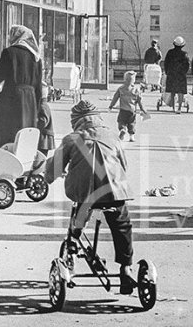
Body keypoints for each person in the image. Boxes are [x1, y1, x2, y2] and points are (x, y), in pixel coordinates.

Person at [44, 101, 138, 295]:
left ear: (76, 121)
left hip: (86, 196)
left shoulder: (72, 139)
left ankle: (72, 245)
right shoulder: (112, 136)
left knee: (79, 216)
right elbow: (124, 165)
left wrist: (47, 176)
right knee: (122, 226)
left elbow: (53, 170)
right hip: (114, 193)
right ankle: (126, 268)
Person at [0, 25, 43, 147]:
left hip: (12, 99)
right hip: (30, 101)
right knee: (25, 133)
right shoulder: (36, 57)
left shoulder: (10, 52)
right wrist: (37, 107)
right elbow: (38, 86)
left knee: (8, 134)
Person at [109, 70, 145, 142]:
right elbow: (139, 100)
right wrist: (142, 109)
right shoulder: (136, 90)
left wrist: (111, 106)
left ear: (124, 79)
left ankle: (122, 129)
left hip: (122, 109)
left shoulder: (121, 89)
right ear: (133, 80)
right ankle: (132, 136)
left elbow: (115, 98)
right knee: (131, 123)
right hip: (132, 110)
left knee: (121, 121)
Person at [163, 36, 190, 113]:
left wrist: (167, 71)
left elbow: (166, 63)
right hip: (181, 75)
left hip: (171, 74)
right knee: (180, 92)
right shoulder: (185, 54)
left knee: (172, 91)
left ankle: (173, 107)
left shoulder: (170, 52)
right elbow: (187, 65)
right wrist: (184, 72)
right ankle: (179, 108)